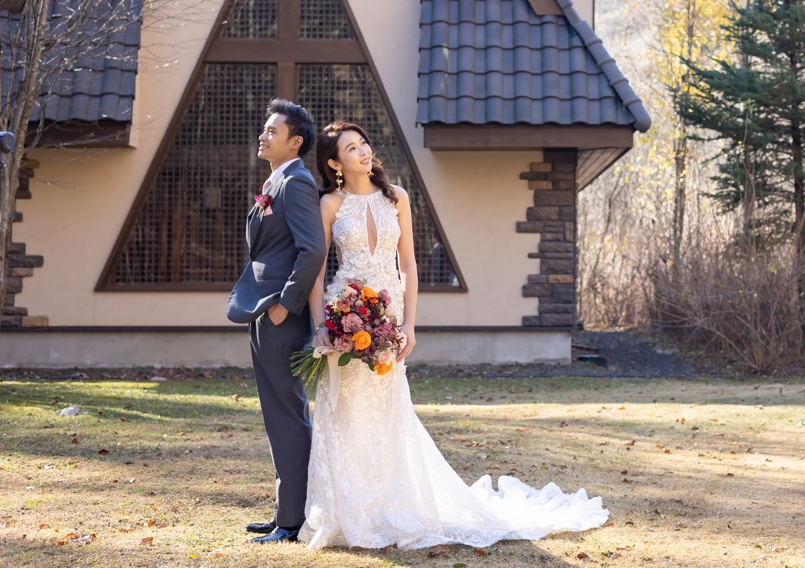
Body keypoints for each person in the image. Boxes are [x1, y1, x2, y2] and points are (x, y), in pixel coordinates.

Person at [299, 121, 608, 549]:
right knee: (344, 410)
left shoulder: (397, 198)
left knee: (388, 412)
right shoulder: (330, 203)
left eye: (364, 143)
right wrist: (321, 329)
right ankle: (348, 513)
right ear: (335, 162)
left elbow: (408, 265)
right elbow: (316, 272)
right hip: (344, 318)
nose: (364, 151)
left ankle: (391, 506)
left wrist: (408, 323)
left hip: (385, 318)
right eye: (352, 148)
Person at [226, 99, 327, 544]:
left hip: (281, 314)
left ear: (295, 141)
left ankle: (293, 521)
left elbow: (313, 249)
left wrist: (286, 303)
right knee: (277, 413)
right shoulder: (278, 179)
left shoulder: (298, 183)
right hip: (262, 309)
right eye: (264, 129)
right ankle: (285, 510)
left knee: (287, 414)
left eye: (272, 130)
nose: (263, 135)